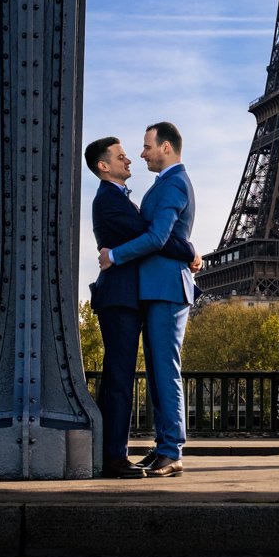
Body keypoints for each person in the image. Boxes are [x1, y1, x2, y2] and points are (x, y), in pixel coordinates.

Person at [84, 135, 200, 479]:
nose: (134, 157)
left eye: (144, 147)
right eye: (122, 156)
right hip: (122, 297)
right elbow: (153, 235)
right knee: (124, 376)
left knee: (146, 373)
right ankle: (117, 456)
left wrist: (188, 252)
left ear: (166, 146)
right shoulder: (111, 199)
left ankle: (162, 450)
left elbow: (154, 236)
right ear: (104, 166)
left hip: (141, 294)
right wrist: (190, 252)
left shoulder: (165, 186)